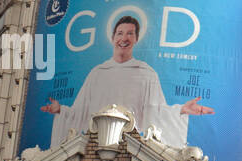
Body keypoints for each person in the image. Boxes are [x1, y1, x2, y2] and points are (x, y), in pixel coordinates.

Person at [40, 15, 213, 147]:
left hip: (132, 148)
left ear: (136, 39)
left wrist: (181, 110)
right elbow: (81, 112)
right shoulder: (98, 73)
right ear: (113, 37)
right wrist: (61, 110)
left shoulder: (146, 73)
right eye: (120, 33)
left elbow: (157, 113)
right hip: (95, 146)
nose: (124, 38)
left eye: (130, 34)